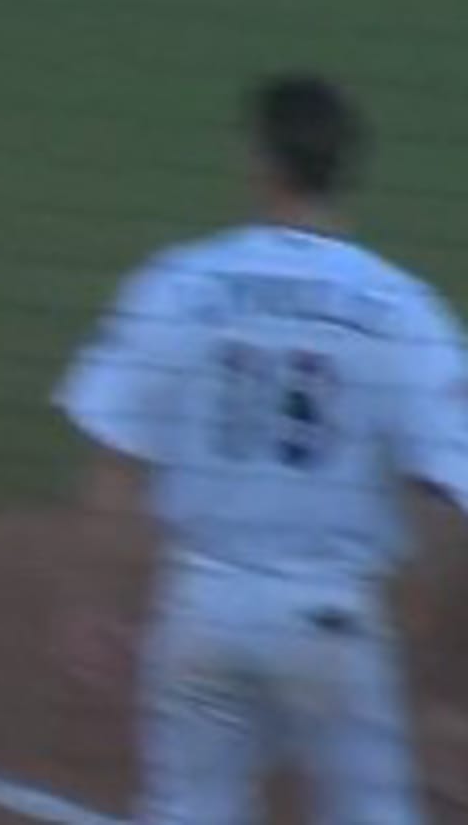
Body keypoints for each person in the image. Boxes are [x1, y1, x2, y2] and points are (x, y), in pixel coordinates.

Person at [54, 73, 468, 822]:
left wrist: (95, 601)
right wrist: (441, 676)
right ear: (345, 167)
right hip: (333, 623)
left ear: (259, 160)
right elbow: (447, 496)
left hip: (202, 611)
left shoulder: (179, 283)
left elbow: (117, 459)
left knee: (189, 807)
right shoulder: (405, 310)